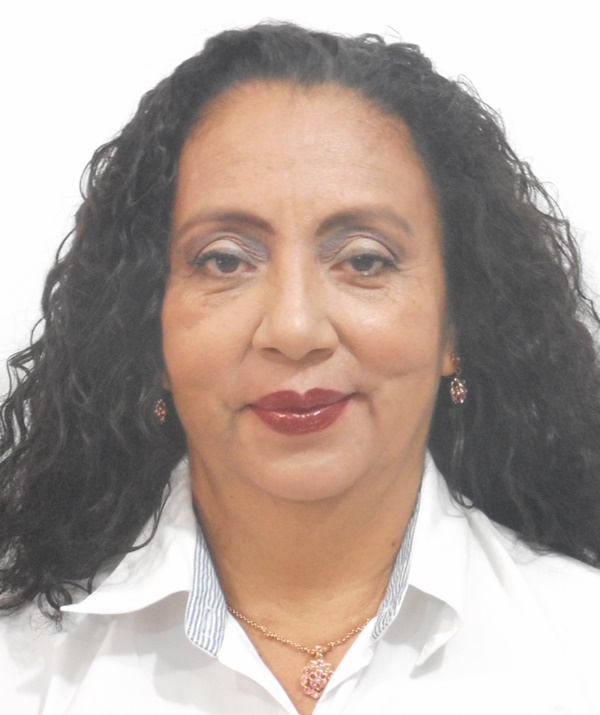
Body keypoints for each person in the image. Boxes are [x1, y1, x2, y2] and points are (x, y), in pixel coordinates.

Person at [1, 21, 600, 715]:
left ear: (455, 326)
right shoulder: (22, 666)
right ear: (148, 327)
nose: (293, 329)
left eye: (364, 260)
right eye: (224, 260)